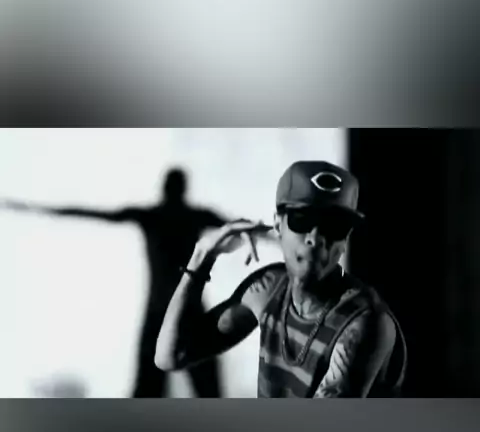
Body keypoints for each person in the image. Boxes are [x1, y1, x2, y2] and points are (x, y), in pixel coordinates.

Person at [155, 161, 408, 397]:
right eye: (302, 219)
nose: (315, 238)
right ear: (278, 225)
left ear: (346, 238)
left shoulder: (363, 322)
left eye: (335, 225)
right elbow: (171, 356)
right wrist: (202, 256)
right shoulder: (270, 289)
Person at [1, 168, 232, 397]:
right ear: (183, 189)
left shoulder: (156, 216)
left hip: (164, 313)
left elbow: (92, 214)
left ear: (165, 189)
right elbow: (236, 227)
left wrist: (35, 208)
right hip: (185, 313)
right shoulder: (190, 217)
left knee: (155, 391)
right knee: (197, 391)